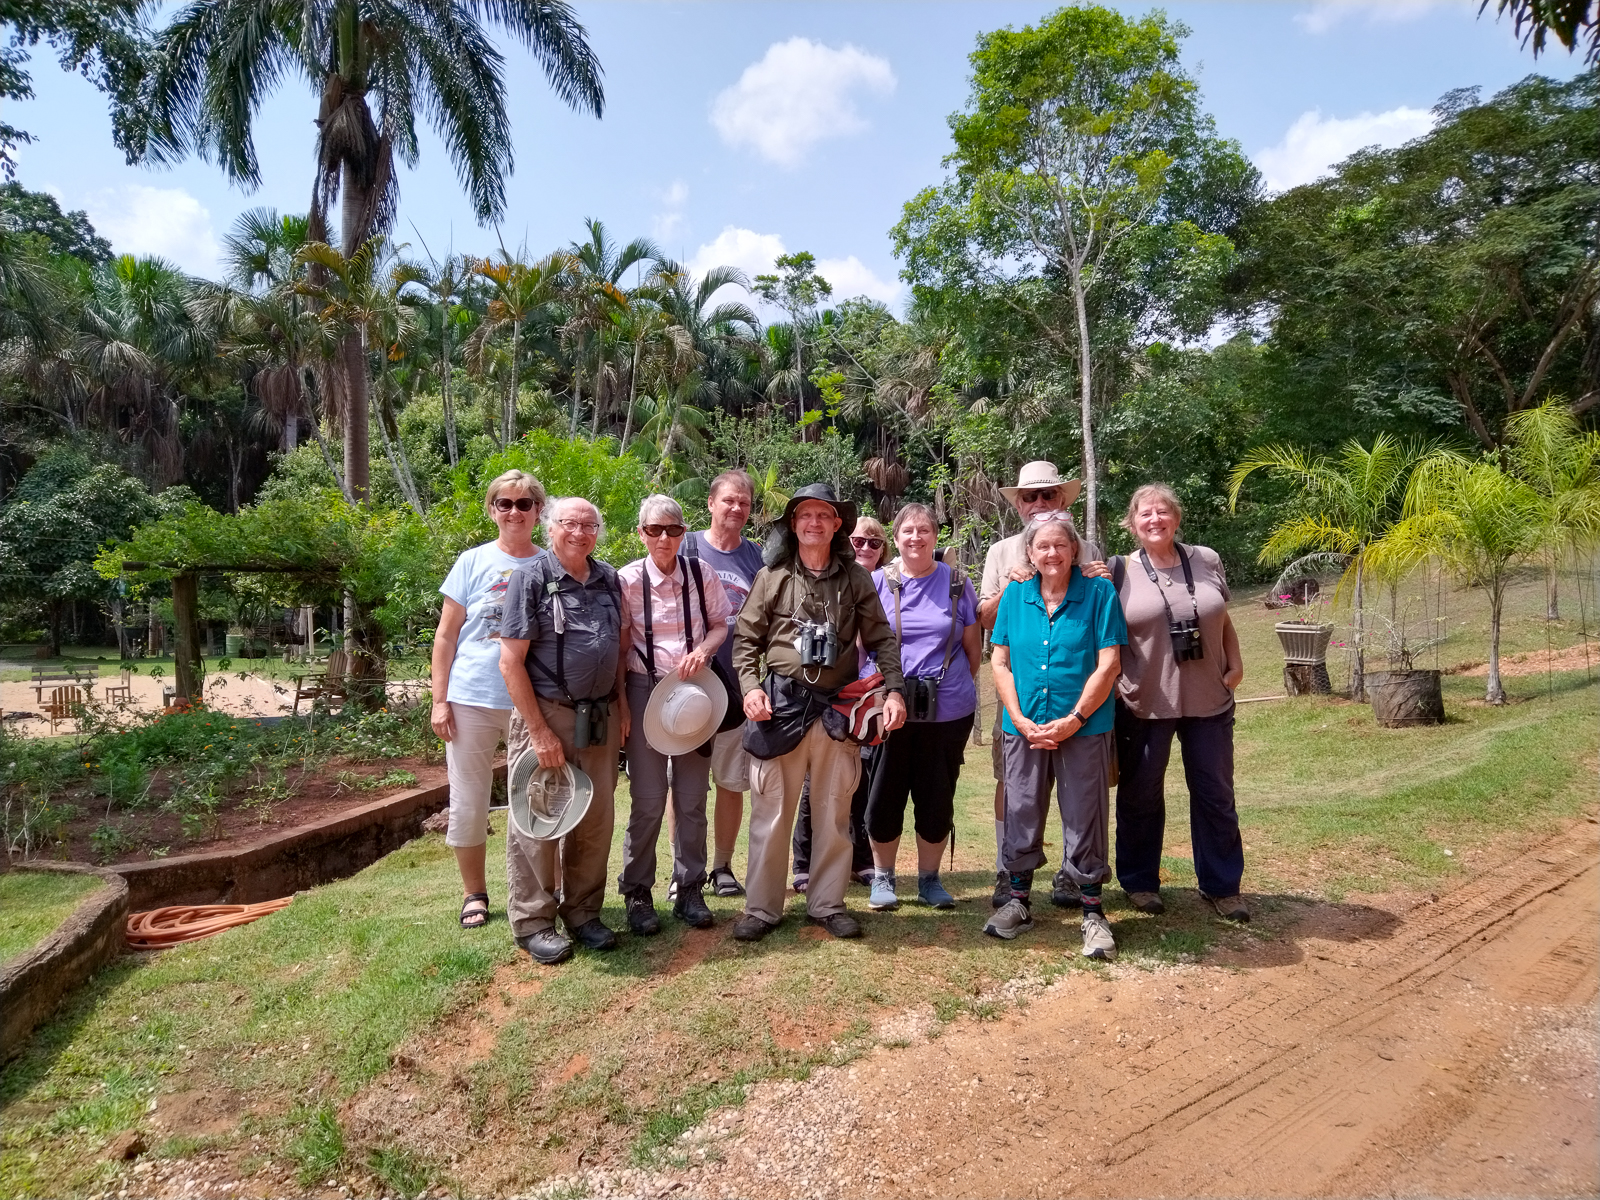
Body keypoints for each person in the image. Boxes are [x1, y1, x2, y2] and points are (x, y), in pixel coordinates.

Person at [730, 483, 906, 942]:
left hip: (836, 708)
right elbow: (746, 641)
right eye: (805, 515)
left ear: (836, 525)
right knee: (771, 811)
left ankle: (827, 903)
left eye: (823, 515)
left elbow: (882, 639)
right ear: (794, 524)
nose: (813, 523)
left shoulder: (856, 579)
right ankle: (762, 909)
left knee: (833, 810)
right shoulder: (771, 577)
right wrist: (750, 688)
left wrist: (893, 691)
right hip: (780, 707)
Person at [987, 512, 1126, 960]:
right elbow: (1000, 662)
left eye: (1060, 546)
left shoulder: (1099, 593)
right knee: (1022, 809)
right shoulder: (1015, 595)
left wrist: (1075, 719)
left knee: (1084, 813)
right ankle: (1018, 903)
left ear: (1074, 551)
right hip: (1023, 727)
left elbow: (1109, 664)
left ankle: (1092, 913)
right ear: (1029, 552)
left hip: (1084, 728)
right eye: (1042, 546)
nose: (1051, 553)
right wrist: (1018, 717)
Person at [1107, 484, 1249, 922]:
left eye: (1162, 512)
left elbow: (1220, 616)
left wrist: (1236, 663)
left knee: (1215, 793)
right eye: (1145, 514)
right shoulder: (1117, 571)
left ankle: (1222, 886)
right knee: (1141, 794)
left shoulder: (1205, 559)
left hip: (1209, 697)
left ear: (1177, 517)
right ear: (1132, 523)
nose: (1155, 520)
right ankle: (1140, 882)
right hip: (1145, 701)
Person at [498, 497, 628, 966]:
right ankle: (534, 920)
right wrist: (538, 732)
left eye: (589, 525)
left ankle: (584, 912)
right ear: (550, 528)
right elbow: (510, 660)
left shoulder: (610, 579)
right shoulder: (531, 579)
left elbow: (619, 647)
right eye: (570, 524)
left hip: (600, 718)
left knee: (595, 817)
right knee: (540, 817)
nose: (580, 532)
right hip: (549, 714)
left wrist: (624, 709)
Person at [978, 461, 1102, 912]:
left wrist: (1100, 575)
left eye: (1048, 495)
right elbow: (985, 619)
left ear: (1063, 500)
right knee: (1012, 782)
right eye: (1030, 497)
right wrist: (1010, 589)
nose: (1039, 503)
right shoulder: (1001, 551)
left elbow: (1100, 611)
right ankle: (1007, 867)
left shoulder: (1085, 547)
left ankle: (1074, 872)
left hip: (1075, 687)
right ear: (1019, 504)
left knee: (1079, 783)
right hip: (1020, 687)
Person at [431, 470, 546, 929]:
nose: (514, 512)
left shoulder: (549, 565)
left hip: (531, 701)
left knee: (536, 799)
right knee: (469, 800)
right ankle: (473, 893)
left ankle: (538, 890)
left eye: (524, 503)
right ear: (492, 509)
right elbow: (445, 637)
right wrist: (439, 700)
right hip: (471, 696)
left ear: (539, 511)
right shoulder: (472, 561)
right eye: (505, 503)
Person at [616, 494, 732, 934]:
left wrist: (704, 651)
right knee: (647, 800)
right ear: (641, 532)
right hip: (645, 689)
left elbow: (721, 623)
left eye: (673, 530)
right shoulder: (626, 580)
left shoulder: (701, 574)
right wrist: (624, 704)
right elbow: (621, 648)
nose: (664, 538)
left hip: (695, 694)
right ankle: (638, 893)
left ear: (685, 532)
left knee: (692, 799)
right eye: (654, 530)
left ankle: (689, 889)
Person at [864, 503, 981, 911]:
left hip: (947, 710)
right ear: (895, 539)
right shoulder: (879, 582)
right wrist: (882, 692)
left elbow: (973, 650)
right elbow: (865, 648)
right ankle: (883, 877)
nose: (916, 538)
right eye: (907, 531)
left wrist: (946, 683)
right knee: (885, 793)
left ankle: (930, 880)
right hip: (889, 707)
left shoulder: (957, 582)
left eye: (924, 531)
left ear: (936, 536)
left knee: (937, 795)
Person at [790, 514, 887, 894]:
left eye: (874, 543)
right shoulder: (831, 580)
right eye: (858, 541)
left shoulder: (884, 583)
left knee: (855, 782)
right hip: (829, 697)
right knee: (815, 783)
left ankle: (859, 858)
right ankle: (804, 861)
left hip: (869, 698)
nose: (864, 548)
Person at [683, 470, 766, 899]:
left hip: (739, 686)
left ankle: (722, 866)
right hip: (688, 688)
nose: (736, 508)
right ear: (711, 503)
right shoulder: (686, 546)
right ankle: (686, 874)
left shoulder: (756, 558)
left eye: (744, 503)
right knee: (689, 789)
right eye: (729, 500)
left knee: (733, 783)